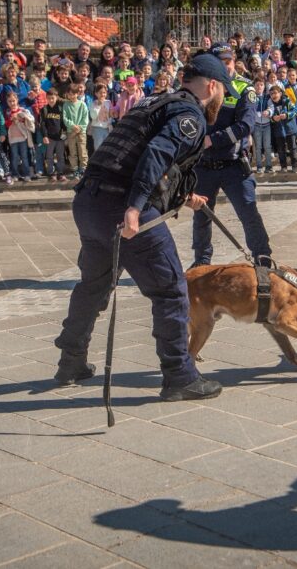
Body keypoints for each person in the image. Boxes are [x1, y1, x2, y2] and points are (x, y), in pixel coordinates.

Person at [52, 53, 233, 401]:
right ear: (212, 86)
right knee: (170, 290)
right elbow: (155, 153)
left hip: (90, 202)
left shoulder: (155, 100)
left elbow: (139, 156)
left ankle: (70, 361)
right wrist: (135, 208)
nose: (222, 97)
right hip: (123, 206)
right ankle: (180, 375)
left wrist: (183, 196)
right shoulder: (190, 113)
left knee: (93, 286)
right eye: (223, 89)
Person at [190, 43, 273, 267]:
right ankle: (201, 261)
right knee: (201, 216)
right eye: (219, 62)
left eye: (227, 62)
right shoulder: (203, 86)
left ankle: (262, 258)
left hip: (234, 165)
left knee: (248, 213)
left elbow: (245, 126)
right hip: (204, 165)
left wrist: (211, 140)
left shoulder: (245, 88)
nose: (224, 67)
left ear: (234, 61)